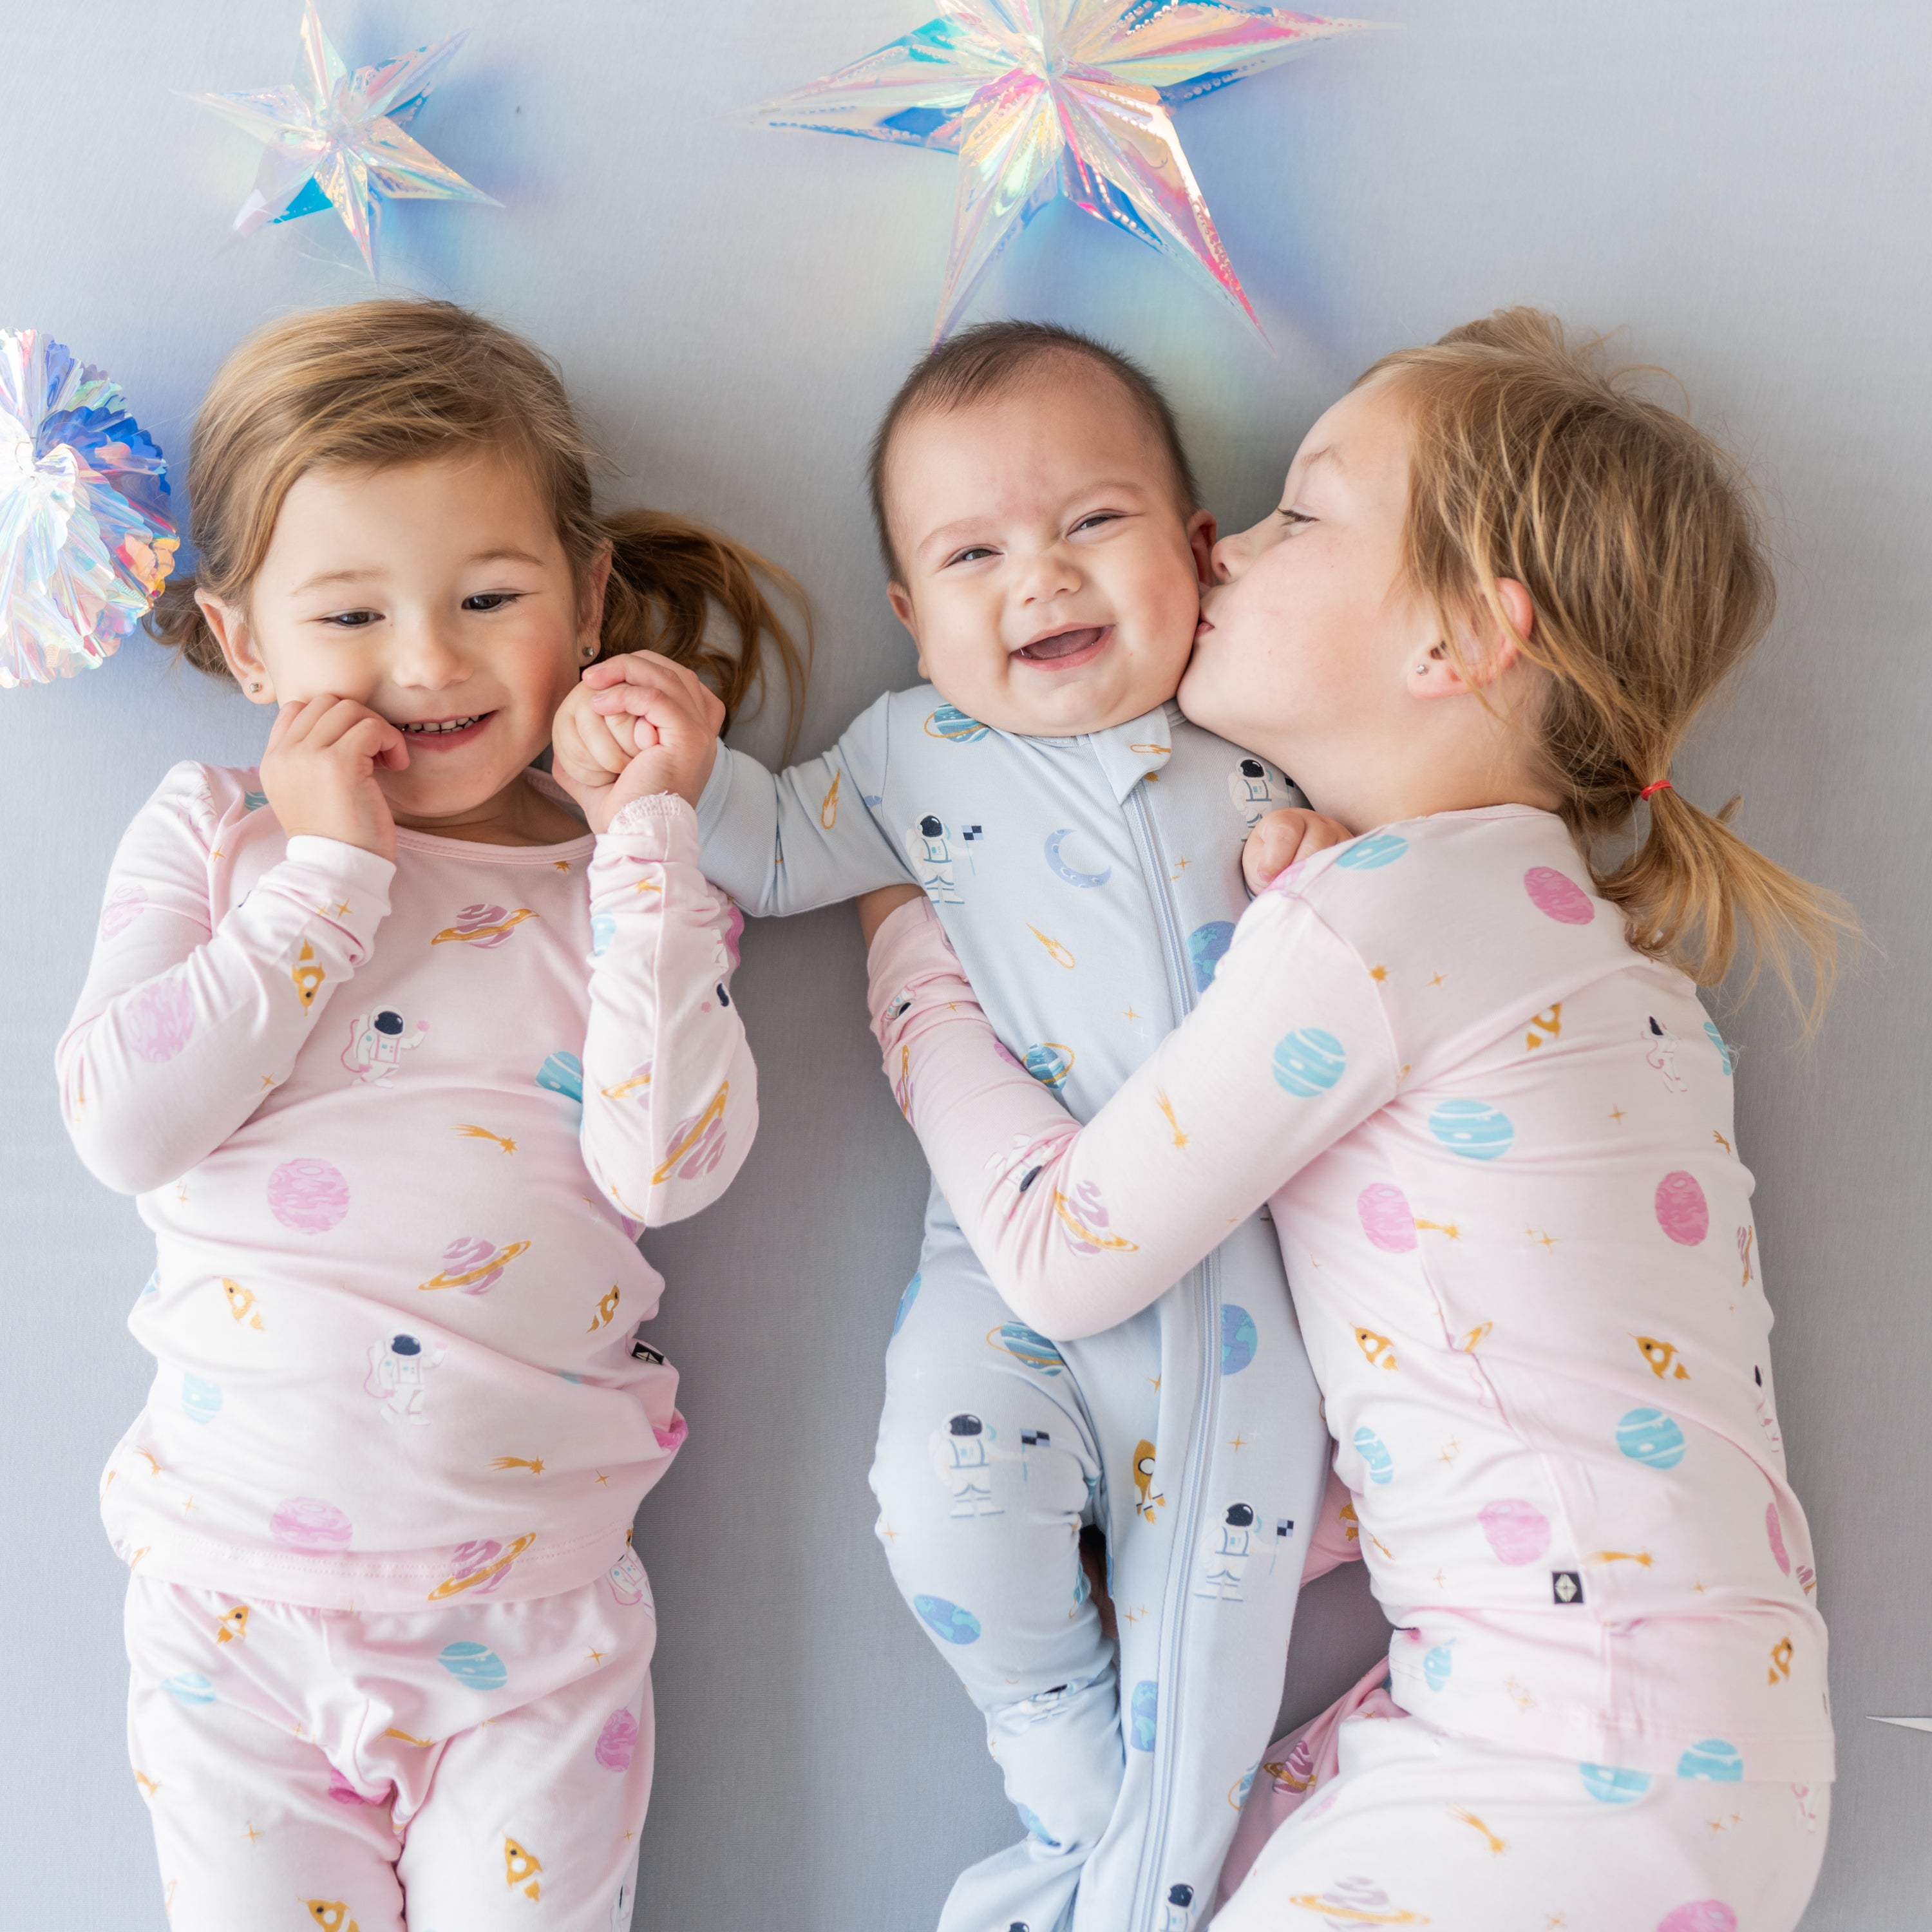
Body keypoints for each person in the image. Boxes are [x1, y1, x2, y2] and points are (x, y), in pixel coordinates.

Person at [858, 309, 1846, 1930]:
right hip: (1656, 1744)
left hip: (1559, 1758)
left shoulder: (1381, 922)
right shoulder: (1585, 950)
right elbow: (1491, 1366)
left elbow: (1056, 1250)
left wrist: (914, 961)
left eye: (1300, 513)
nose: (1225, 545)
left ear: (1460, 640)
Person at [565, 321, 1349, 1930]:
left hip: (1256, 1293)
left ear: (1201, 553)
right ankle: (1063, 1763)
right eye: (974, 553)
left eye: (1093, 523)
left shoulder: (1261, 738)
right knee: (936, 1490)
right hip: (1004, 1274)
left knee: (1211, 1618)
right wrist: (680, 765)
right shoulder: (911, 757)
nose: (1041, 578)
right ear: (918, 620)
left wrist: (1322, 843)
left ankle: (1133, 1877)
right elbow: (771, 856)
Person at [57, 299, 800, 1931]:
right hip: (233, 1606)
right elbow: (122, 1125)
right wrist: (325, 877)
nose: (428, 660)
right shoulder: (212, 841)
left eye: (488, 597)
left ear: (586, 599)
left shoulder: (620, 889)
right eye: (349, 614)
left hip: (530, 1631)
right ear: (245, 643)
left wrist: (652, 841)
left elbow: (665, 1168)